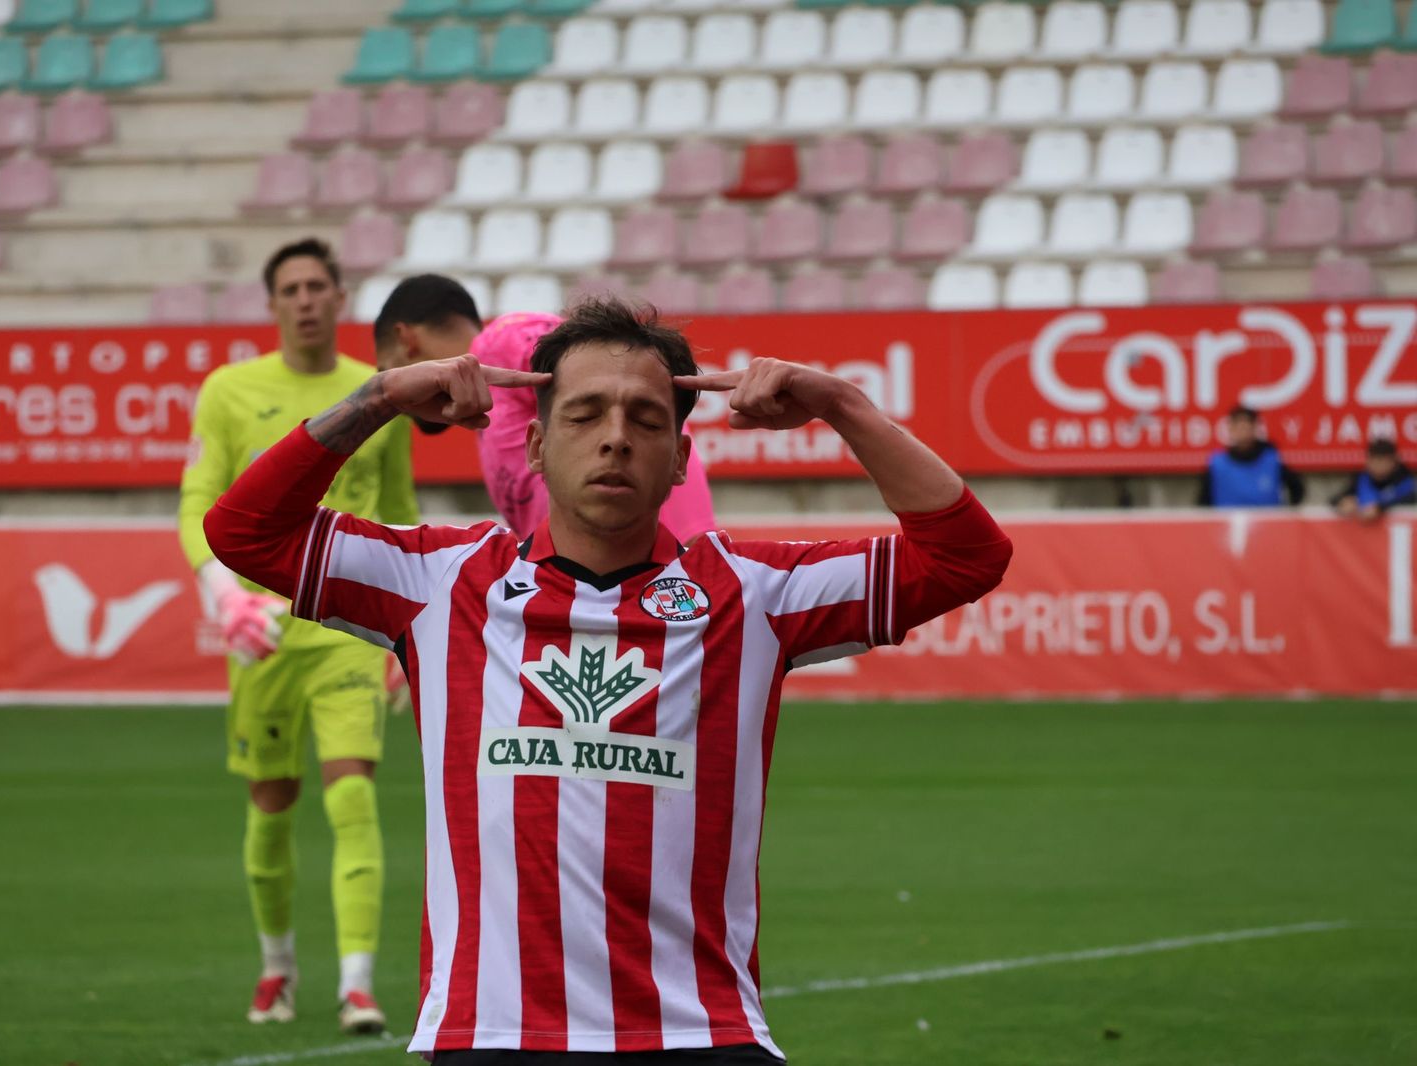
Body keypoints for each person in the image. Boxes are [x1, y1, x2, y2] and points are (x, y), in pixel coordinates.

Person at [204, 298, 1013, 1063]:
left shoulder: (752, 594)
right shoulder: (441, 583)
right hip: (492, 1036)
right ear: (534, 446)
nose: (615, 438)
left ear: (681, 460)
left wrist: (844, 406)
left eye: (647, 420)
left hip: (700, 1036)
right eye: (585, 415)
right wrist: (378, 398)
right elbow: (243, 532)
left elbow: (966, 557)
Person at [178, 237, 411, 1034]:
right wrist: (222, 596)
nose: (307, 299)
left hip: (347, 626)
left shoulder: (378, 392)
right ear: (273, 303)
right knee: (272, 806)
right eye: (292, 289)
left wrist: (406, 633)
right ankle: (276, 968)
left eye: (318, 286)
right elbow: (198, 502)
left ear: (340, 298)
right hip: (265, 631)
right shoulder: (229, 391)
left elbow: (397, 515)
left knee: (353, 796)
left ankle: (358, 986)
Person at [373, 275, 718, 540]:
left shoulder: (502, 341)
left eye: (388, 368)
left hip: (654, 564)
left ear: (406, 340)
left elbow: (639, 393)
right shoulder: (492, 393)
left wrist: (691, 534)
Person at [1197, 405, 1304, 507]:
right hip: (1227, 519)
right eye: (1238, 427)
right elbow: (1203, 503)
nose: (1243, 432)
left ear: (1255, 428)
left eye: (1246, 426)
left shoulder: (1272, 460)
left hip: (1266, 519)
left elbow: (1297, 490)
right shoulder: (1217, 464)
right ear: (1231, 429)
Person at [1332, 438, 1415, 522]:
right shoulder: (1362, 478)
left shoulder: (1403, 480)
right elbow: (1335, 499)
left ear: (1393, 462)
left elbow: (1409, 499)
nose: (1378, 467)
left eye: (1382, 462)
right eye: (1374, 461)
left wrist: (1379, 508)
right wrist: (1343, 502)